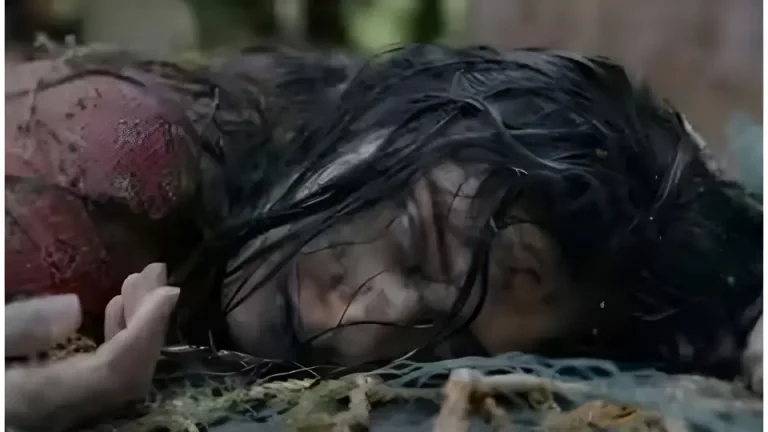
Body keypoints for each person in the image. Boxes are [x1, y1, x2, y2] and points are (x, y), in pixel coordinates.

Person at [5, 44, 762, 427]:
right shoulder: (102, 171)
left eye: (436, 347)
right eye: (412, 243)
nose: (358, 324)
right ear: (384, 117)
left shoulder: (291, 145)